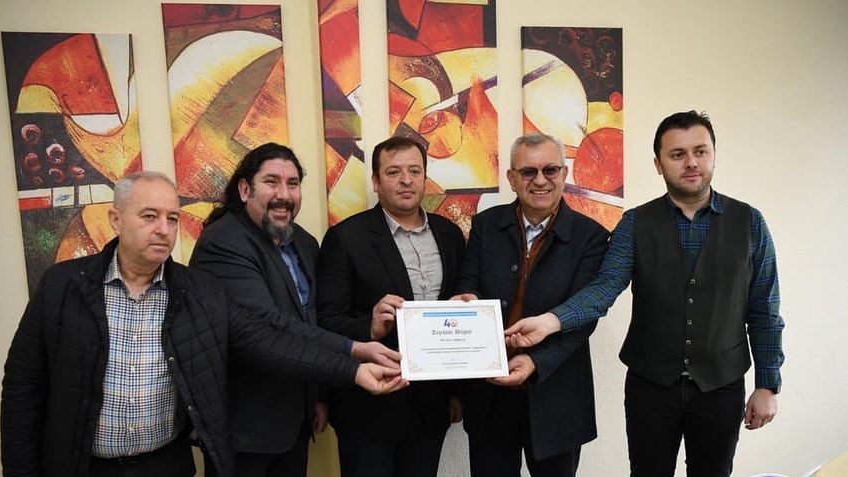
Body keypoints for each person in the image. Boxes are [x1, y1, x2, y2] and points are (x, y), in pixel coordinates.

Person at [0, 171, 406, 477]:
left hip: (167, 465)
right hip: (81, 465)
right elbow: (23, 388)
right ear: (115, 219)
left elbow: (270, 339)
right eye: (149, 216)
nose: (163, 230)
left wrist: (353, 365)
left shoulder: (198, 292)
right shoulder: (63, 286)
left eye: (172, 218)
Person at [506, 111, 785, 477]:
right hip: (650, 389)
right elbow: (604, 287)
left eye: (700, 151)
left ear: (713, 155)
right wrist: (551, 321)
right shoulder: (635, 224)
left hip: (721, 386)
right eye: (677, 154)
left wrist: (767, 384)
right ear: (658, 164)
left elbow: (765, 310)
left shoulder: (750, 222)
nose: (691, 162)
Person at [190, 143, 400, 476]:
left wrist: (318, 396)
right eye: (271, 182)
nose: (284, 195)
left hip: (295, 422)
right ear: (244, 190)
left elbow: (312, 321)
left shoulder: (303, 241)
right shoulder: (223, 242)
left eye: (293, 183)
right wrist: (355, 356)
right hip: (245, 430)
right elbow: (269, 328)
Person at [451, 132, 609, 477]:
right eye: (528, 172)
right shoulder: (486, 225)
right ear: (511, 178)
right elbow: (467, 282)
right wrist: (467, 301)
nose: (540, 180)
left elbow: (583, 318)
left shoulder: (591, 237)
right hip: (490, 393)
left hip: (557, 394)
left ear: (564, 174)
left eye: (550, 170)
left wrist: (536, 361)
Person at [316, 137, 466, 477]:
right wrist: (368, 328)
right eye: (394, 172)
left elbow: (458, 313)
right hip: (368, 409)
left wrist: (457, 392)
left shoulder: (450, 235)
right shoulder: (346, 238)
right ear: (376, 181)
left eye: (414, 171)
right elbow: (325, 320)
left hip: (432, 406)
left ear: (425, 177)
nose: (406, 180)